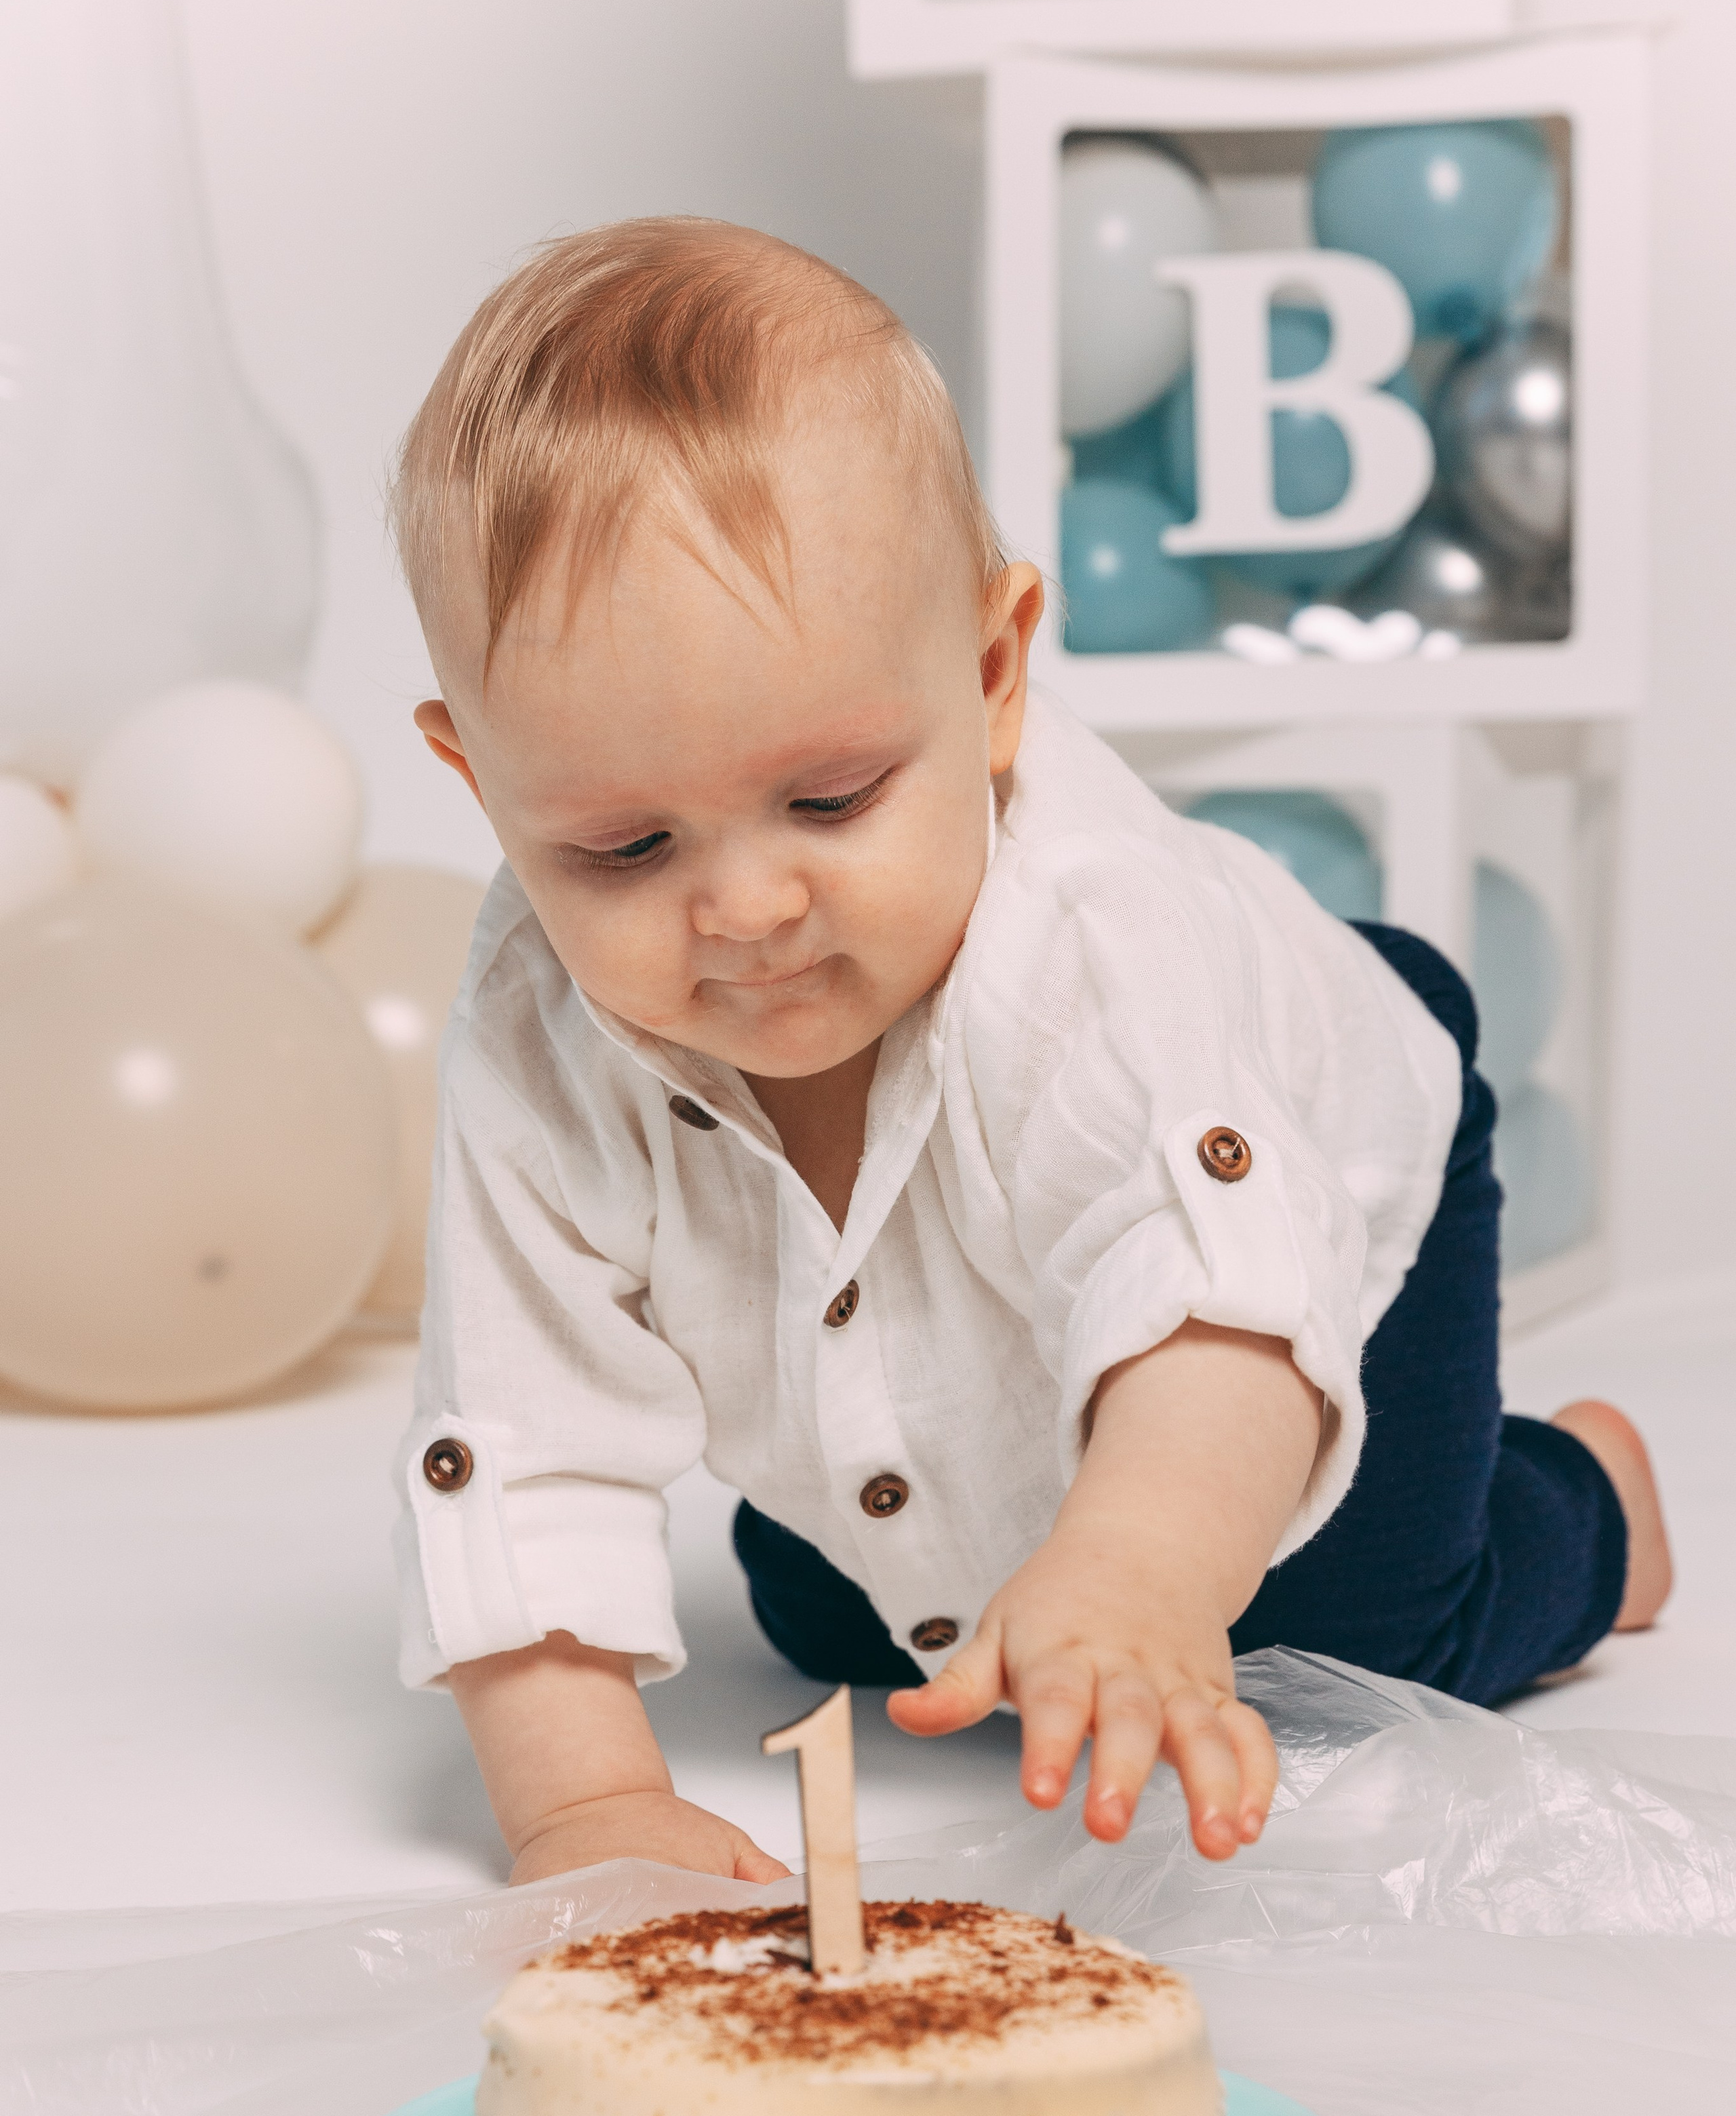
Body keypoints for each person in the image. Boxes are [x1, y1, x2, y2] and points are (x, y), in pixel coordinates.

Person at [389, 217, 1670, 1889]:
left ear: (991, 678)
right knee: (832, 1618)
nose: (748, 905)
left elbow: (1208, 1299)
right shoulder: (531, 1035)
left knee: (1355, 1645)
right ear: (484, 789)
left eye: (829, 799)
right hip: (929, 1292)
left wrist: (1136, 1566)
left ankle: (1589, 1509)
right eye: (624, 851)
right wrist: (584, 1811)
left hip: (1296, 1174)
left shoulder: (1094, 945)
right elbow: (518, 1425)